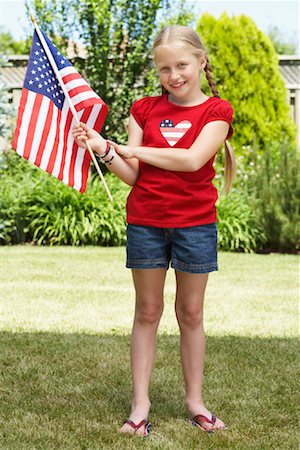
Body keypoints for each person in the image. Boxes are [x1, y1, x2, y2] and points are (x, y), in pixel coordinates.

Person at [72, 25, 235, 437]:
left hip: (195, 226)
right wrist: (104, 149)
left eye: (181, 64)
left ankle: (195, 402)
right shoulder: (143, 109)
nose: (173, 75)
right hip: (145, 222)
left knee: (191, 314)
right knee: (147, 312)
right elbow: (132, 175)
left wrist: (131, 149)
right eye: (164, 68)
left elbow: (192, 160)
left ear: (201, 61)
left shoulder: (217, 112)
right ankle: (139, 405)